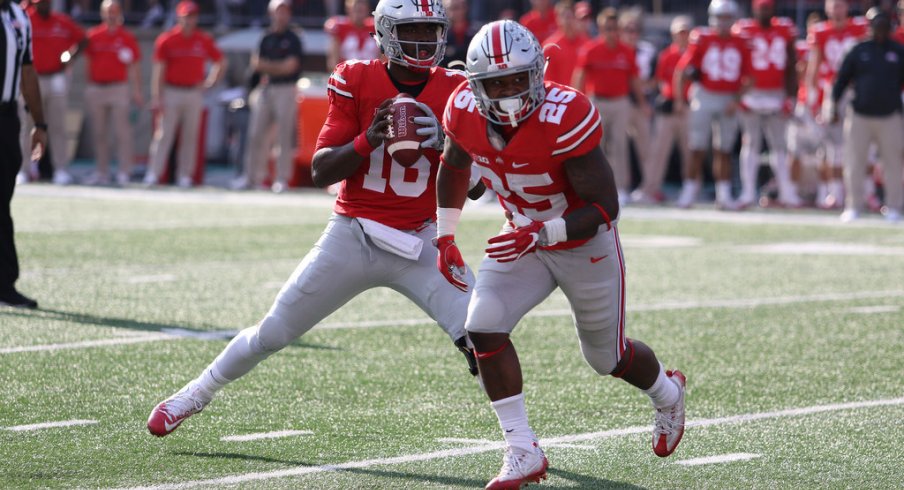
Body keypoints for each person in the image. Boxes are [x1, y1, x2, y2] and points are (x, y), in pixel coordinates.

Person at [147, 0, 482, 438]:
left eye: (430, 30)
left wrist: (447, 145)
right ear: (384, 32)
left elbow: (476, 187)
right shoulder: (355, 77)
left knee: (484, 336)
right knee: (272, 332)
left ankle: (520, 442)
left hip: (422, 239)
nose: (423, 41)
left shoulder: (456, 88)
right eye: (413, 30)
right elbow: (322, 169)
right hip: (354, 233)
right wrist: (368, 139)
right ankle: (196, 392)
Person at [436, 19, 686, 489]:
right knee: (482, 326)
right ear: (475, 85)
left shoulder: (566, 111)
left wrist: (542, 232)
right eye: (496, 82)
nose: (509, 92)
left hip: (580, 241)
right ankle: (522, 449)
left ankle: (667, 393)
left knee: (606, 358)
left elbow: (604, 206)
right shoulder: (462, 107)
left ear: (538, 73)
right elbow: (454, 164)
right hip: (519, 235)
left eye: (517, 79)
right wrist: (446, 235)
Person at [674, 0, 752, 210]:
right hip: (705, 95)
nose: (724, 22)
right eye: (720, 17)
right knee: (696, 147)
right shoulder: (702, 37)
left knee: (724, 149)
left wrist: (736, 100)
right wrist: (680, 100)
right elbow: (682, 71)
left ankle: (724, 195)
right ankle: (689, 192)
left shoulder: (741, 41)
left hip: (728, 98)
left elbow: (750, 77)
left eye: (727, 18)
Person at [831, 8, 904, 223]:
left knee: (893, 164)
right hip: (860, 115)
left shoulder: (899, 51)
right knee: (854, 162)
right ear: (869, 26)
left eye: (883, 24)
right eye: (876, 24)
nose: (880, 29)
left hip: (890, 115)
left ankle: (894, 207)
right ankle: (853, 205)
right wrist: (832, 105)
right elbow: (841, 80)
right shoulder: (858, 50)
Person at [144, 0, 226, 188]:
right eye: (186, 16)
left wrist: (211, 82)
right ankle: (153, 173)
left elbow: (221, 61)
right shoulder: (167, 40)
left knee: (190, 137)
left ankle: (184, 176)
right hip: (172, 91)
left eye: (193, 16)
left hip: (193, 92)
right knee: (164, 135)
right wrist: (157, 96)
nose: (190, 20)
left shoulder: (203, 39)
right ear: (179, 17)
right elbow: (159, 71)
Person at [573, 8, 649, 205]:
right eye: (607, 28)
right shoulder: (591, 49)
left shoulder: (625, 51)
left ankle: (621, 188)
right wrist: (576, 102)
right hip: (597, 102)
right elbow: (579, 76)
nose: (611, 32)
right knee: (595, 147)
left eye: (614, 28)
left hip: (620, 102)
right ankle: (595, 189)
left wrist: (642, 103)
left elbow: (634, 79)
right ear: (600, 29)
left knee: (620, 146)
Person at [1, 0, 47, 308]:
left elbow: (27, 71)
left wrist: (39, 123)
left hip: (5, 117)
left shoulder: (19, 16)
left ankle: (4, 283)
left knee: (2, 200)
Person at [732, 0, 800, 208]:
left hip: (777, 91)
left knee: (779, 144)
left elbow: (791, 62)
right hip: (752, 91)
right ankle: (748, 192)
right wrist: (739, 94)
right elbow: (736, 62)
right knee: (750, 142)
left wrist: (791, 95)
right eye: (761, 7)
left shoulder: (785, 28)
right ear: (754, 9)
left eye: (767, 7)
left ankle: (786, 190)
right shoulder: (742, 29)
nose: (764, 11)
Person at [233, 0, 302, 193]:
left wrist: (269, 66)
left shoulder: (294, 38)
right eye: (279, 11)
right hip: (267, 88)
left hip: (286, 89)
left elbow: (291, 66)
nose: (282, 16)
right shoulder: (266, 37)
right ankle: (251, 176)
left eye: (285, 12)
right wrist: (277, 67)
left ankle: (281, 178)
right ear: (272, 13)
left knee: (283, 136)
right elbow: (256, 64)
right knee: (255, 134)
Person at [806, 0, 868, 209]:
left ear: (847, 7)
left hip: (857, 91)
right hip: (833, 92)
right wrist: (812, 95)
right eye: (833, 5)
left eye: (840, 5)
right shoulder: (821, 31)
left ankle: (866, 193)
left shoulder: (860, 27)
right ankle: (836, 193)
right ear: (826, 9)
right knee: (834, 146)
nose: (837, 10)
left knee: (864, 143)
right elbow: (813, 65)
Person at [18, 0, 84, 186]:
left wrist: (69, 57)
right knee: (27, 125)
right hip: (32, 77)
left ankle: (61, 169)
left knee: (58, 126)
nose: (45, 5)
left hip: (56, 77)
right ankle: (23, 169)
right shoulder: (25, 19)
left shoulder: (62, 21)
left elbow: (83, 39)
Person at [83, 0, 142, 186]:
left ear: (120, 14)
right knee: (99, 133)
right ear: (102, 14)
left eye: (114, 11)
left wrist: (136, 91)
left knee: (122, 132)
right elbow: (87, 63)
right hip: (97, 87)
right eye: (108, 11)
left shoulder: (127, 37)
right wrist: (89, 86)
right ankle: (102, 171)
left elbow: (135, 66)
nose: (111, 15)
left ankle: (125, 171)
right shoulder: (93, 35)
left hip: (119, 88)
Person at [639, 15, 693, 204]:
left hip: (688, 107)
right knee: (658, 152)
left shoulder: (694, 54)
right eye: (680, 33)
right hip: (669, 107)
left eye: (685, 32)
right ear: (673, 35)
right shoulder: (667, 55)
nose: (683, 36)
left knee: (690, 151)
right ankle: (650, 189)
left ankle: (691, 187)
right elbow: (660, 80)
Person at [619, 7, 656, 204]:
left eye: (634, 30)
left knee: (646, 148)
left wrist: (643, 88)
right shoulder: (616, 50)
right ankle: (621, 187)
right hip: (622, 101)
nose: (631, 34)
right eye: (627, 29)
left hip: (641, 104)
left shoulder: (648, 51)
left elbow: (656, 78)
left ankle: (648, 189)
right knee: (619, 148)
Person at [542, 0, 588, 86]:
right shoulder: (550, 46)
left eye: (570, 16)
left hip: (583, 96)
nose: (568, 21)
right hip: (560, 97)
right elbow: (547, 80)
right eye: (564, 16)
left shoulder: (586, 43)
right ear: (557, 19)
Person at [324, 0, 378, 71]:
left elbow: (382, 57)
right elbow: (333, 60)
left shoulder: (375, 27)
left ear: (368, 10)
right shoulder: (340, 27)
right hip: (346, 74)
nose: (358, 14)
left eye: (361, 10)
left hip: (371, 73)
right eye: (356, 10)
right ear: (348, 9)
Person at [442, 0, 475, 68]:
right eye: (450, 8)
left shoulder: (477, 32)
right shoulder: (441, 34)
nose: (453, 12)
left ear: (465, 8)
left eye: (456, 8)